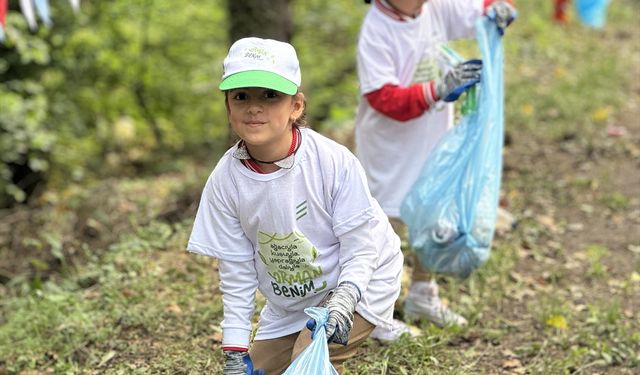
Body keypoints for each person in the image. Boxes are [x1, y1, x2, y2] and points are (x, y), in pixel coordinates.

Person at [187, 37, 404, 375]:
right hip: (293, 304)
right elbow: (237, 274)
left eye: (270, 95)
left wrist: (345, 301)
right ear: (228, 106)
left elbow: (361, 249)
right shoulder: (225, 181)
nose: (254, 107)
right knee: (252, 371)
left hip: (361, 282)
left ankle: (361, 323)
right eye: (241, 96)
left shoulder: (332, 162)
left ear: (296, 106)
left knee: (307, 364)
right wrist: (234, 350)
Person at [355, 0, 517, 341]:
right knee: (388, 224)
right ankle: (373, 311)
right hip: (391, 147)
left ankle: (422, 294)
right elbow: (383, 97)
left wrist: (497, 9)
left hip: (431, 140)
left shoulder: (433, 8)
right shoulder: (377, 30)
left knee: (430, 215)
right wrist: (438, 90)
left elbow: (476, 9)